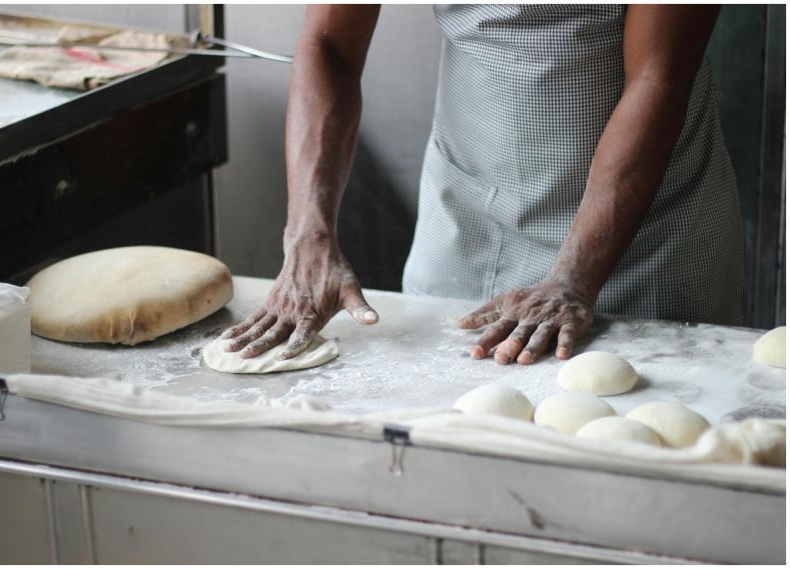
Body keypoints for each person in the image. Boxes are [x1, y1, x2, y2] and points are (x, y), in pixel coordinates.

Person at [221, 5, 743, 366]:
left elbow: (659, 77)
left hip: (643, 235)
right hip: (467, 214)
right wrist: (308, 235)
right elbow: (330, 46)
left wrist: (574, 278)